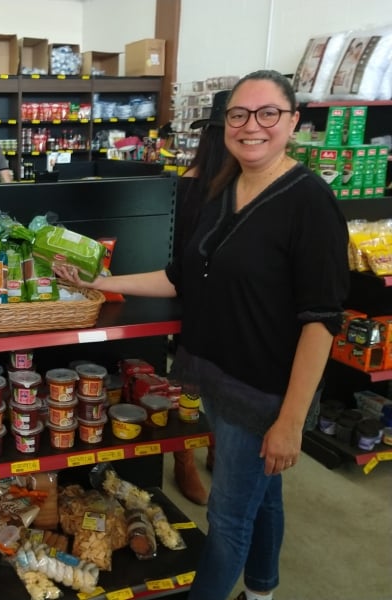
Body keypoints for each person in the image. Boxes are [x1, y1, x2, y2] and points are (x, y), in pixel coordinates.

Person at [55, 70, 349, 600]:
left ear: (293, 122)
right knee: (265, 496)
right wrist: (99, 281)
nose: (251, 126)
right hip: (217, 376)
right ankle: (262, 591)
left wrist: (289, 422)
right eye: (238, 114)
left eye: (267, 114)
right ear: (224, 124)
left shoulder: (310, 204)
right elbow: (179, 277)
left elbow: (321, 321)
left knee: (229, 516)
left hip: (261, 393)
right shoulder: (224, 189)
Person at [170, 88, 232, 506]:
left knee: (225, 388)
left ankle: (215, 448)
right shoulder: (188, 188)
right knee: (191, 383)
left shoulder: (247, 187)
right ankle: (183, 457)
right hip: (193, 301)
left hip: (233, 304)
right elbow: (174, 252)